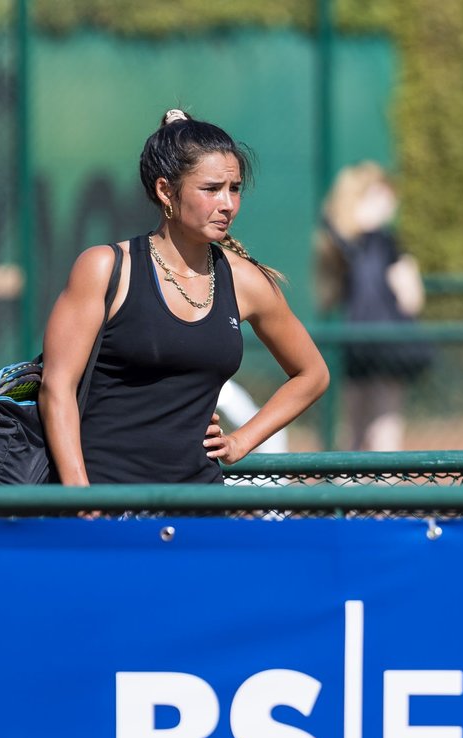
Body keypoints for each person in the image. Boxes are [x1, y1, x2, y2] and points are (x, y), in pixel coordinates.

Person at [38, 109, 329, 484]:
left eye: (235, 188)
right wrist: (82, 497)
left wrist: (242, 441)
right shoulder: (104, 268)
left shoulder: (246, 280)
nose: (228, 204)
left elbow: (313, 374)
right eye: (211, 189)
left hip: (199, 503)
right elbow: (56, 387)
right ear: (165, 191)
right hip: (109, 502)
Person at [315, 161, 429, 451]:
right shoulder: (383, 241)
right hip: (388, 342)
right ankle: (384, 492)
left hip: (356, 341)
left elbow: (331, 296)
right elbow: (411, 297)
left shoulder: (338, 242)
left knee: (353, 426)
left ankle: (344, 489)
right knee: (385, 425)